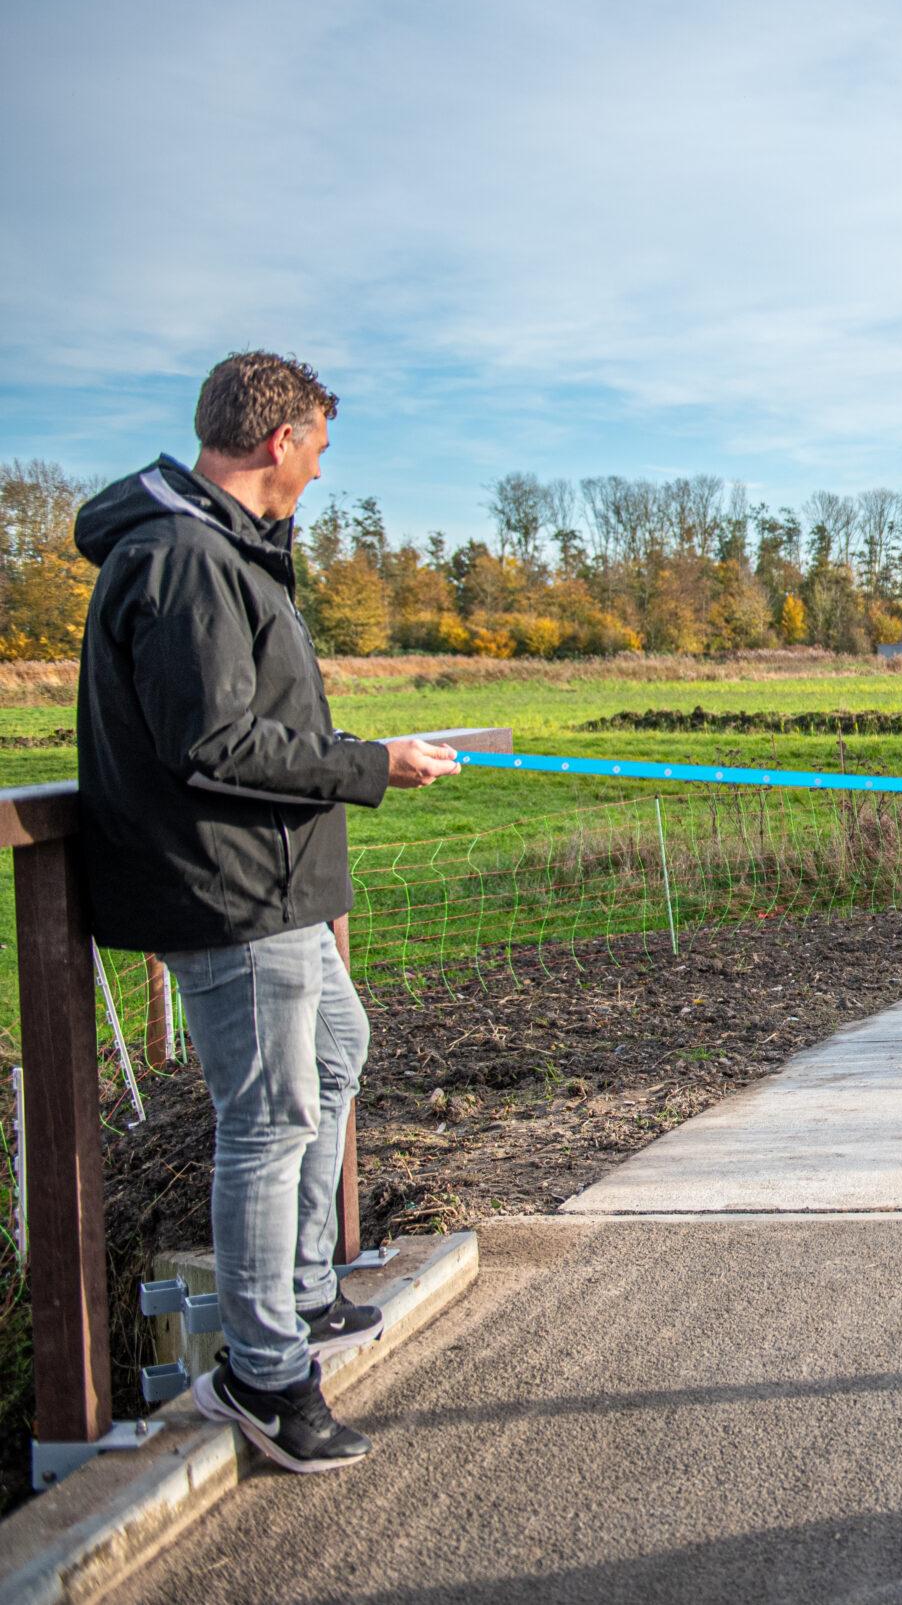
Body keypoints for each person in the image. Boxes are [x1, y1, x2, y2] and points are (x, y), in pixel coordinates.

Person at [75, 352, 460, 1475]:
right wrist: (368, 763)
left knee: (337, 1049)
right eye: (320, 451)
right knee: (271, 1117)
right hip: (230, 886)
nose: (321, 475)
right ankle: (263, 1369)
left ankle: (297, 1292)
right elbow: (215, 742)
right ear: (279, 440)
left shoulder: (218, 548)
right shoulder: (187, 560)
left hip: (268, 881)